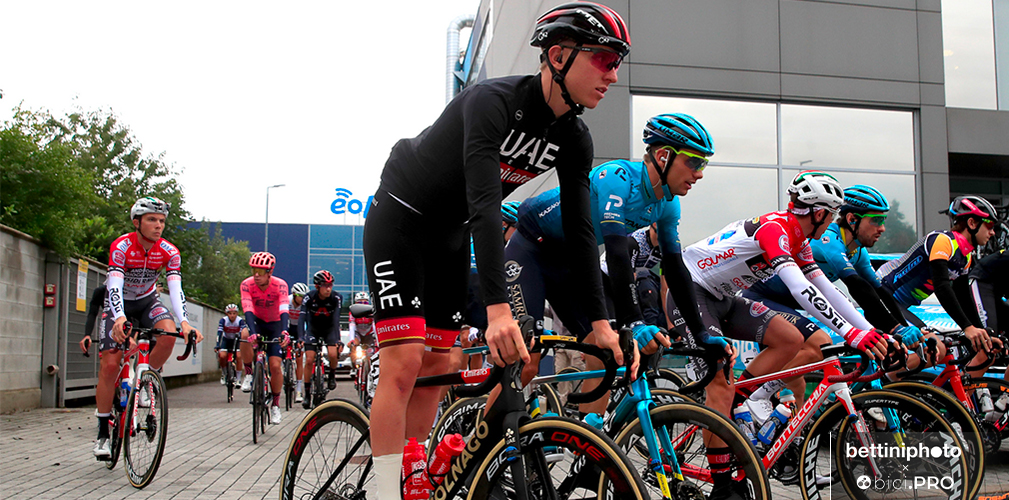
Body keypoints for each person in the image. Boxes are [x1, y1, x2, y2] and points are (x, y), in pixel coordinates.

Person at [361, 4, 632, 497]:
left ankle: (414, 469)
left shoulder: (574, 137)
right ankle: (383, 491)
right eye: (604, 59)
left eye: (617, 64)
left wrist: (599, 323)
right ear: (558, 56)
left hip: (449, 233)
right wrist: (498, 310)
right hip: (401, 219)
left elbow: (581, 234)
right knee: (404, 363)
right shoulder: (492, 102)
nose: (612, 75)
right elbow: (485, 206)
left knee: (441, 365)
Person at [504, 113, 719, 418]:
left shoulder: (668, 204)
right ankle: (482, 437)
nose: (699, 173)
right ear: (663, 155)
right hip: (531, 248)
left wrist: (701, 333)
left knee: (607, 354)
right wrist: (634, 322)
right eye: (694, 162)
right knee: (527, 362)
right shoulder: (617, 178)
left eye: (704, 164)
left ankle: (588, 440)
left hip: (572, 260)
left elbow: (674, 269)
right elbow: (617, 253)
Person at [742, 185, 935, 410]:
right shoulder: (829, 240)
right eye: (876, 220)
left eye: (883, 221)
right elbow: (857, 288)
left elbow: (879, 293)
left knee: (797, 392)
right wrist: (894, 328)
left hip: (788, 305)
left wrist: (901, 328)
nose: (882, 228)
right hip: (760, 298)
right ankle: (753, 398)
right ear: (852, 219)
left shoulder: (858, 252)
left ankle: (780, 426)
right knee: (817, 346)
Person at [84, 196, 204, 458]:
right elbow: (114, 285)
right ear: (137, 222)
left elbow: (175, 288)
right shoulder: (122, 246)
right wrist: (118, 317)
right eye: (151, 220)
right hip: (119, 302)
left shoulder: (169, 251)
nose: (158, 225)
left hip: (147, 301)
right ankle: (103, 434)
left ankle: (147, 378)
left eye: (161, 221)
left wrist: (185, 322)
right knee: (110, 365)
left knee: (169, 333)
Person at [877, 194, 1000, 373]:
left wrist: (980, 332)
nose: (993, 232)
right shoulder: (943, 241)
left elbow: (963, 297)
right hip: (884, 296)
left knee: (941, 349)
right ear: (972, 223)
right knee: (934, 347)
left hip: (900, 304)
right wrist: (967, 327)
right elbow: (942, 287)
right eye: (989, 225)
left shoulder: (965, 257)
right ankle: (884, 381)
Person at [239, 251, 290, 425]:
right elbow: (247, 309)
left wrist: (285, 331)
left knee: (275, 366)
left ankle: (275, 404)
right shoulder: (246, 284)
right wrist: (253, 332)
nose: (256, 275)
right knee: (245, 334)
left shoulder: (280, 285)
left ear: (270, 272)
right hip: (257, 321)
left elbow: (284, 308)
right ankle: (248, 373)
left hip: (275, 324)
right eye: (253, 270)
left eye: (260, 271)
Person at [299, 270, 343, 410]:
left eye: (330, 285)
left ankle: (332, 375)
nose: (328, 289)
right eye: (325, 286)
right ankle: (307, 393)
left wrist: (338, 340)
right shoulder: (309, 297)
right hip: (313, 329)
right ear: (317, 286)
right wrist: (301, 337)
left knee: (333, 354)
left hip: (329, 329)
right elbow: (302, 317)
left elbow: (336, 320)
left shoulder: (336, 298)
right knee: (309, 359)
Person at [965, 248, 1009, 377]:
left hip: (997, 289)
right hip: (982, 282)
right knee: (988, 348)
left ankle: (1005, 391)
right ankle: (958, 390)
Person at [216, 304, 249, 384]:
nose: (232, 315)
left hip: (237, 340)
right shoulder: (223, 320)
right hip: (226, 340)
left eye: (234, 313)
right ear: (227, 314)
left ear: (237, 313)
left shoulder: (240, 321)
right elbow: (219, 333)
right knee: (222, 356)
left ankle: (238, 379)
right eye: (230, 313)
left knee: (239, 356)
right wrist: (217, 345)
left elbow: (243, 333)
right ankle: (224, 374)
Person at [289, 282, 309, 403]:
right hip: (288, 326)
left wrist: (302, 338)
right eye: (300, 296)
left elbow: (307, 322)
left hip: (300, 329)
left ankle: (298, 389)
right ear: (294, 295)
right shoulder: (287, 302)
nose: (302, 299)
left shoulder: (306, 304)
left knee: (299, 358)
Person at [347, 291, 376, 368]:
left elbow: (374, 325)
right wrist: (351, 340)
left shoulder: (371, 311)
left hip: (369, 333)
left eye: (365, 302)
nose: (363, 305)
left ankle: (370, 367)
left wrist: (377, 338)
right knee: (353, 346)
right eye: (360, 303)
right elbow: (352, 326)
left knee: (372, 351)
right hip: (358, 333)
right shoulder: (353, 312)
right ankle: (353, 367)